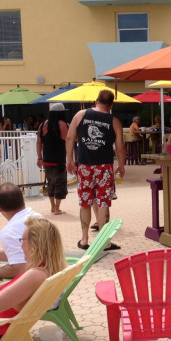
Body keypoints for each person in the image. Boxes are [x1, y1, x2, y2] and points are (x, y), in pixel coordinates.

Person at [66, 89, 125, 250]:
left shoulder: (80, 115)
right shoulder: (114, 121)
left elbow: (70, 137)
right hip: (104, 167)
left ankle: (84, 240)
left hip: (84, 165)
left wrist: (70, 160)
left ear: (96, 101)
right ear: (111, 105)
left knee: (85, 202)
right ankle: (103, 242)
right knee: (103, 201)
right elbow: (120, 147)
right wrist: (121, 164)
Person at [36, 103, 69, 215]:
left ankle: (52, 206)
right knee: (60, 182)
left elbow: (39, 143)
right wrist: (70, 158)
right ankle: (57, 209)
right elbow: (67, 141)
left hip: (46, 159)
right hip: (59, 159)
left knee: (51, 182)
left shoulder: (43, 125)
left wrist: (39, 157)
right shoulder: (63, 125)